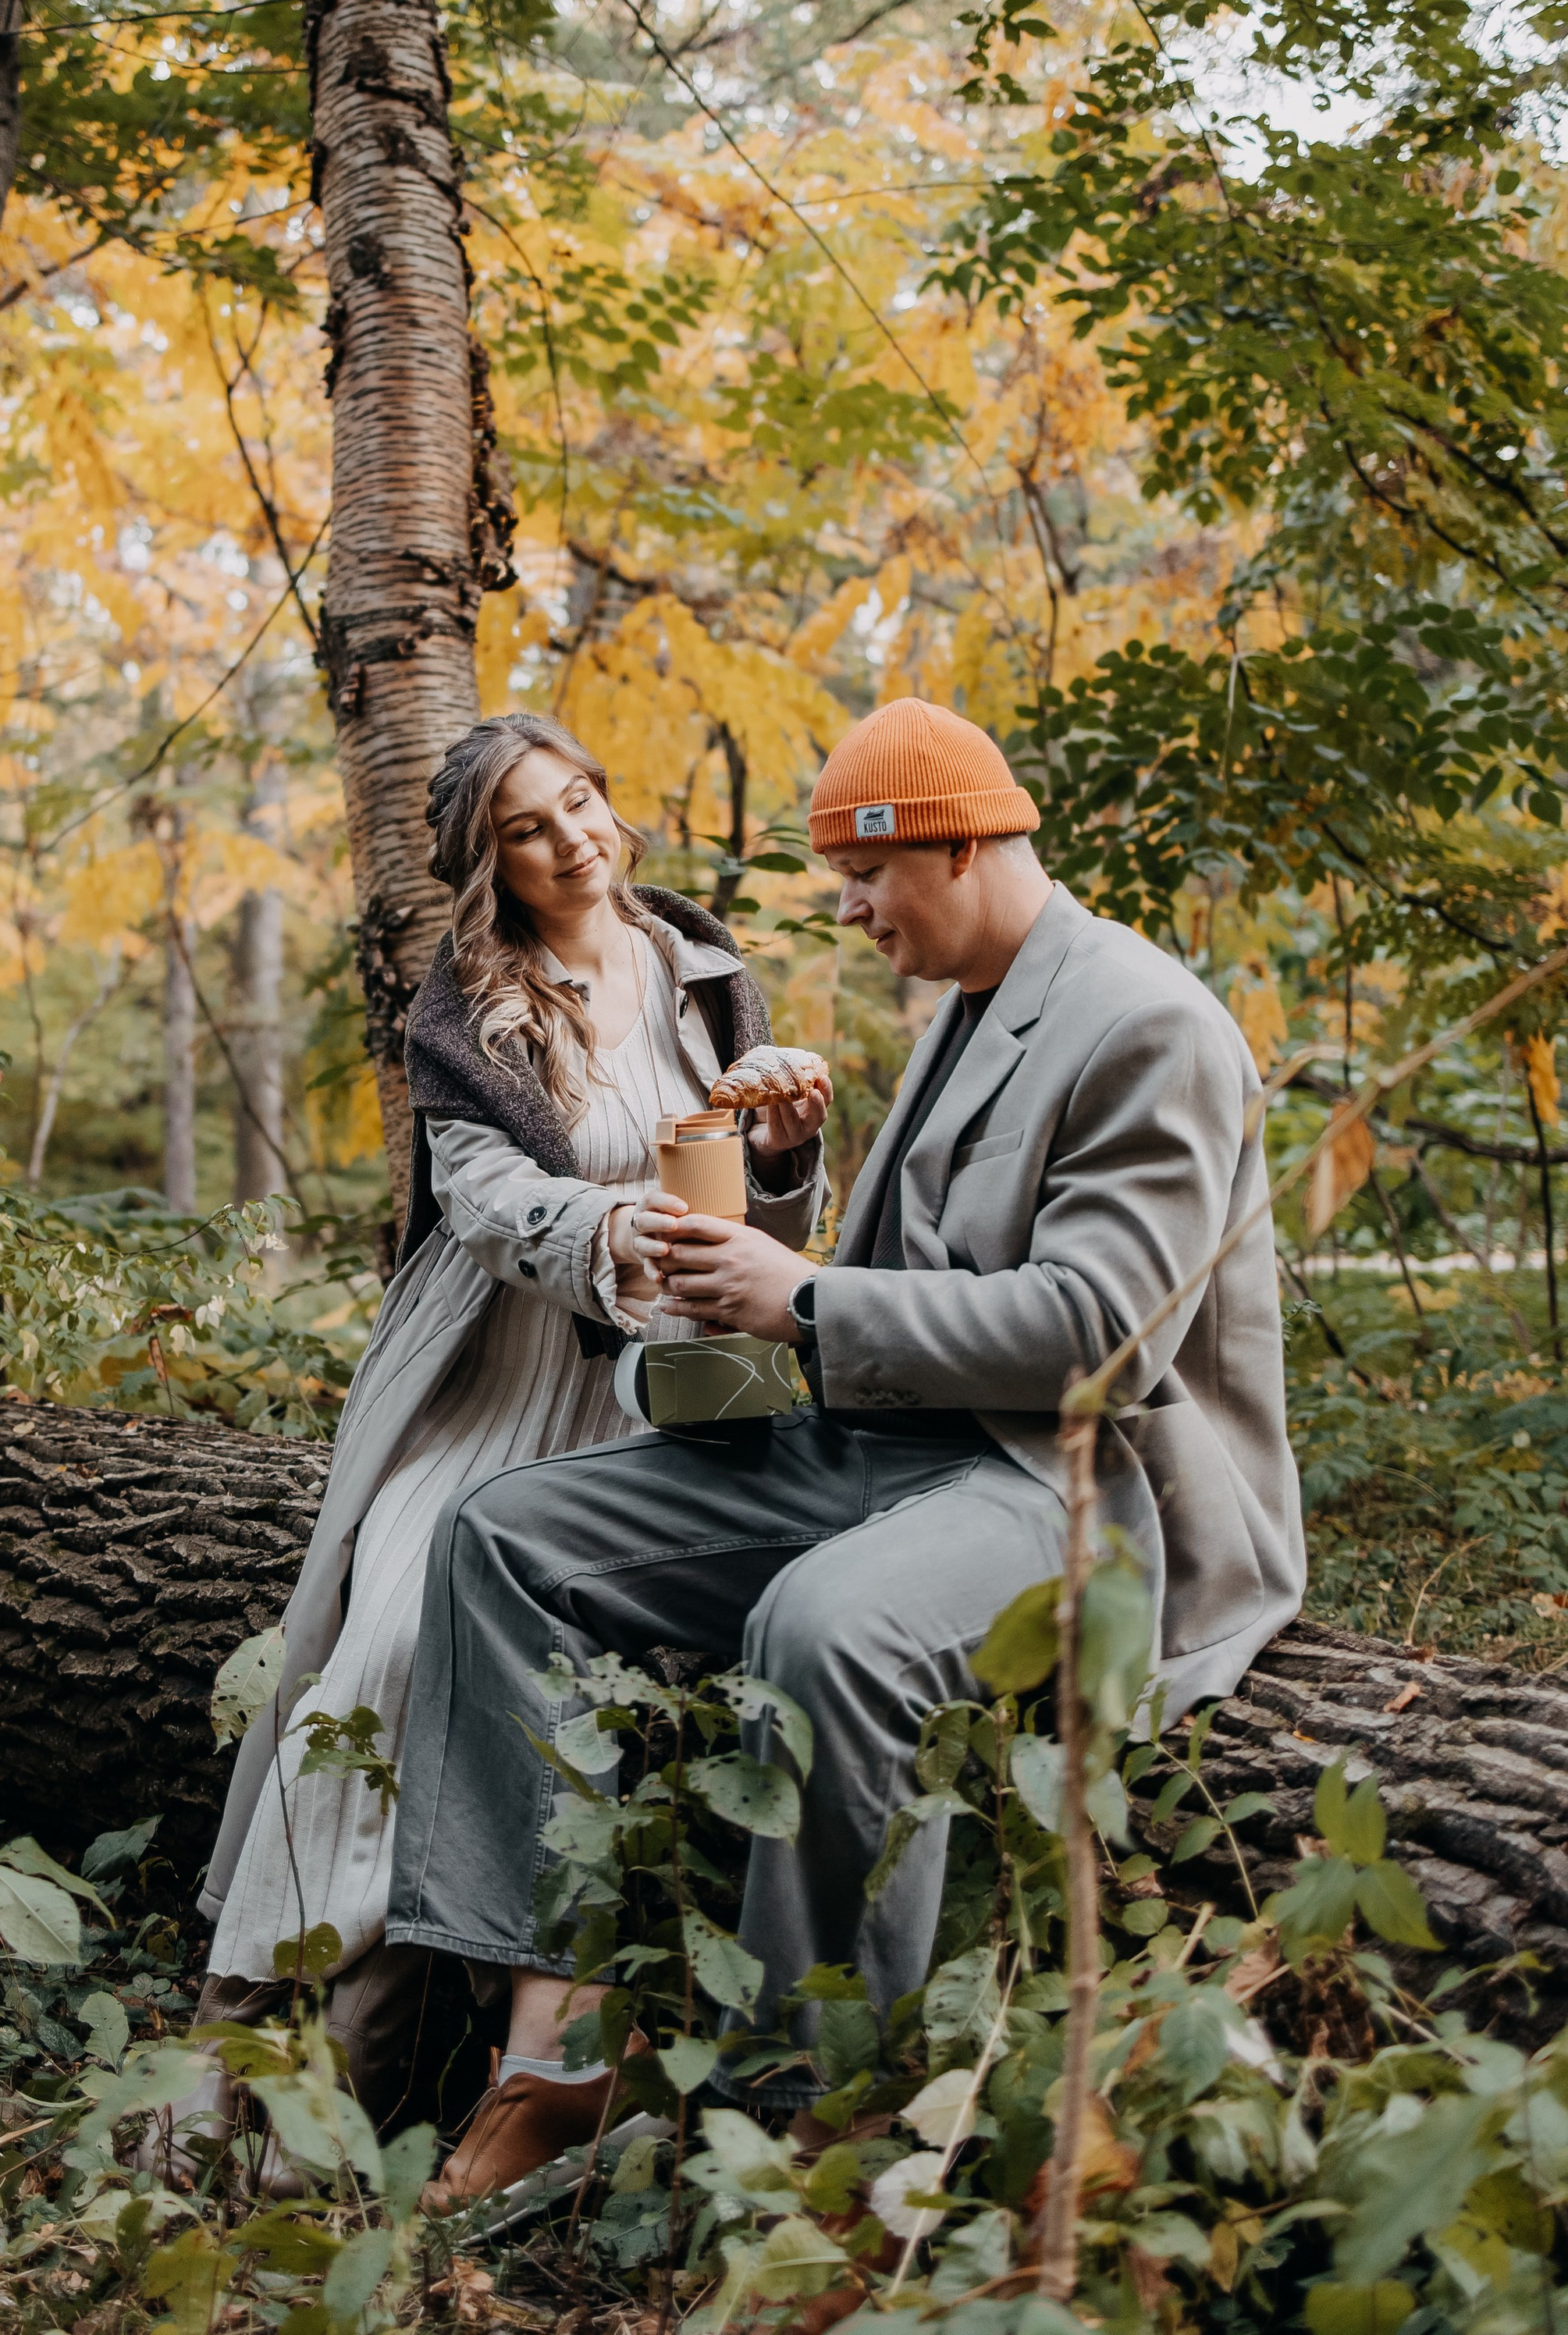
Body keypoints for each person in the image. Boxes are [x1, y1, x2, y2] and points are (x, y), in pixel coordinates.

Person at [386, 695, 1306, 2208]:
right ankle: (554, 2052)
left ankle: (804, 2122)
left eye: (865, 881)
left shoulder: (1146, 1022)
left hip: (1075, 1480)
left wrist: (801, 1298)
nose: (849, 913)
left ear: (954, 846)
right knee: (506, 1538)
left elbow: (1097, 1336)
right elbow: (877, 1283)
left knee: (819, 1622)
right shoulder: (965, 1001)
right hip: (887, 1443)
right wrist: (748, 1255)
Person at [190, 711, 827, 2124]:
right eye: (530, 827)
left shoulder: (700, 967)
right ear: (494, 863)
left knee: (594, 1682)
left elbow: (768, 1221)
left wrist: (785, 1160)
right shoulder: (465, 1009)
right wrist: (614, 1230)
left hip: (664, 1395)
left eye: (582, 800)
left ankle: (507, 2047)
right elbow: (485, 1205)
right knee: (397, 1643)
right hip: (500, 1372)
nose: (573, 838)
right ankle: (267, 2050)